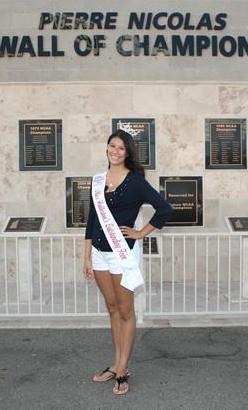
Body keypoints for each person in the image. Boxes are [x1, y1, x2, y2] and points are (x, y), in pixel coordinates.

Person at [83, 129, 172, 395]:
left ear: (127, 152)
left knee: (125, 312)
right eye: (112, 145)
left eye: (121, 148)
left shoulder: (135, 182)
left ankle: (123, 369)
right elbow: (91, 219)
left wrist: (141, 233)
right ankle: (116, 363)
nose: (115, 151)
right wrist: (86, 256)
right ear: (107, 148)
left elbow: (165, 208)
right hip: (98, 254)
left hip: (121, 254)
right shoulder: (98, 181)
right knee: (111, 308)